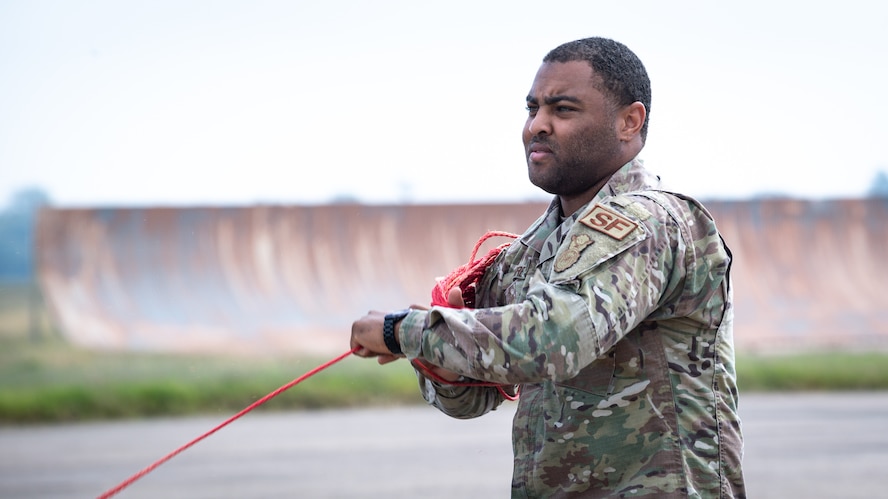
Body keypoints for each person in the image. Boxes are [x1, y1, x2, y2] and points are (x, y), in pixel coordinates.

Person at [350, 36, 746, 498]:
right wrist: (445, 355)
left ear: (628, 122)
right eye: (532, 108)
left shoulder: (649, 222)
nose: (537, 125)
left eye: (562, 110)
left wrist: (406, 330)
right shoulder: (534, 246)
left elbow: (556, 339)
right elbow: (473, 398)